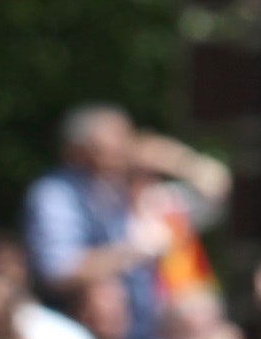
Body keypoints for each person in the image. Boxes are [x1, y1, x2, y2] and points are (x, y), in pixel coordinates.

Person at [23, 106, 230, 299]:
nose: (124, 146)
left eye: (127, 137)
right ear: (78, 149)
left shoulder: (139, 194)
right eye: (113, 139)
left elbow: (218, 188)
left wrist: (176, 159)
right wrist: (136, 250)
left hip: (155, 329)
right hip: (83, 326)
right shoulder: (55, 194)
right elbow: (59, 270)